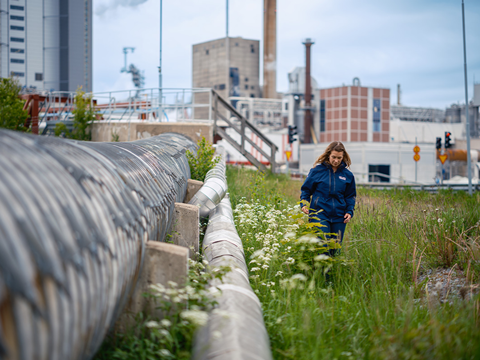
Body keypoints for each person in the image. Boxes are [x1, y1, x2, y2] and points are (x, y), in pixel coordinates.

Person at [300, 141, 356, 257]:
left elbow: (350, 196)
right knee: (322, 247)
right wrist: (304, 204)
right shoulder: (317, 171)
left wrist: (349, 212)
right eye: (333, 157)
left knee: (334, 250)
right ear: (328, 155)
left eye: (339, 158)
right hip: (319, 213)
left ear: (343, 157)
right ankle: (320, 273)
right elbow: (306, 190)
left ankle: (332, 274)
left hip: (339, 217)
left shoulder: (348, 175)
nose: (336, 160)